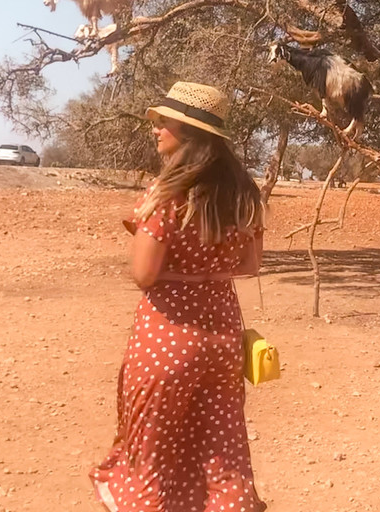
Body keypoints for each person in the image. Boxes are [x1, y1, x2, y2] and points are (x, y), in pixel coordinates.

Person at [92, 81, 266, 512]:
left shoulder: (166, 193)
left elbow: (143, 274)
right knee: (221, 450)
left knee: (151, 456)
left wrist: (178, 269)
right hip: (223, 336)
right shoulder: (245, 194)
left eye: (164, 122)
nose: (156, 129)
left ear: (189, 133)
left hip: (166, 338)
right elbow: (250, 265)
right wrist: (209, 269)